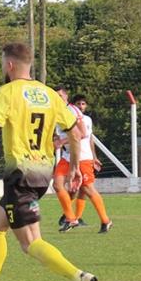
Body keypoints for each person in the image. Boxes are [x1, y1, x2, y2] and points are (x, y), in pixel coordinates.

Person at [0, 42, 98, 281]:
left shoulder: (6, 92)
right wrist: (72, 168)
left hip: (19, 175)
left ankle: (79, 278)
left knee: (30, 243)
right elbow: (77, 130)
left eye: (2, 63)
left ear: (10, 65)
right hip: (42, 174)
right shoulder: (49, 95)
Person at [68, 93, 112, 233]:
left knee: (87, 189)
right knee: (77, 189)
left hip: (83, 158)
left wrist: (94, 157)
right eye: (78, 104)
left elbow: (89, 139)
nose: (81, 106)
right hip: (73, 158)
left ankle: (105, 221)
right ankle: (73, 218)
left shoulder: (86, 119)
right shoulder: (70, 117)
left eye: (83, 104)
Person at [51, 87, 83, 231]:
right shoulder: (57, 111)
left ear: (66, 96)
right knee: (58, 185)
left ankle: (104, 220)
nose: (57, 98)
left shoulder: (72, 110)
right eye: (55, 96)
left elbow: (81, 133)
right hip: (66, 155)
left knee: (83, 189)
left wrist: (61, 142)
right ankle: (71, 218)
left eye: (60, 95)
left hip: (79, 155)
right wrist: (57, 139)